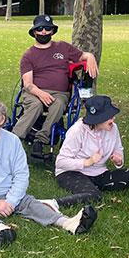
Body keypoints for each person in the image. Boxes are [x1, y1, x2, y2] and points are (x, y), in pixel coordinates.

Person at [0, 96, 97, 246]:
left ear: (1, 121)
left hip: (6, 191)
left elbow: (21, 175)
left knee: (29, 202)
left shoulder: (12, 141)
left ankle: (67, 223)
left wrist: (11, 201)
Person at [40, 96, 129, 218]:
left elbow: (118, 149)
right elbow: (61, 161)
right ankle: (53, 204)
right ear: (97, 119)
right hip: (71, 173)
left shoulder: (113, 128)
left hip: (99, 173)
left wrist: (118, 159)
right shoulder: (77, 131)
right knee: (94, 196)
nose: (113, 118)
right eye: (109, 116)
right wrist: (87, 162)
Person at [13, 14, 99, 158]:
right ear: (34, 32)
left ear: (52, 30)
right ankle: (13, 139)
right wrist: (41, 94)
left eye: (47, 28)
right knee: (35, 105)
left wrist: (90, 56)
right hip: (34, 92)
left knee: (58, 104)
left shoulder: (63, 47)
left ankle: (40, 141)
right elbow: (27, 84)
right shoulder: (28, 55)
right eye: (40, 29)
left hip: (59, 93)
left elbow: (83, 56)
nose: (44, 32)